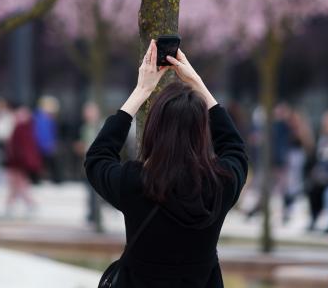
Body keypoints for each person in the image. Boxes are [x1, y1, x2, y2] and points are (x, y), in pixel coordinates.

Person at [85, 39, 248, 288]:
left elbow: (97, 157)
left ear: (154, 130)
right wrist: (199, 85)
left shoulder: (135, 183)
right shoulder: (220, 185)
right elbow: (235, 149)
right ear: (202, 132)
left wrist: (141, 91)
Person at [4, 105, 42, 216]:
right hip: (18, 163)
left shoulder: (20, 129)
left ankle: (29, 205)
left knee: (18, 185)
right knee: (16, 186)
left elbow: (20, 148)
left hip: (17, 163)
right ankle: (11, 205)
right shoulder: (26, 129)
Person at [33, 95, 62, 183]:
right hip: (42, 145)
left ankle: (55, 180)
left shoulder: (48, 118)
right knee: (43, 163)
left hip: (46, 145)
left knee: (49, 163)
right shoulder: (40, 118)